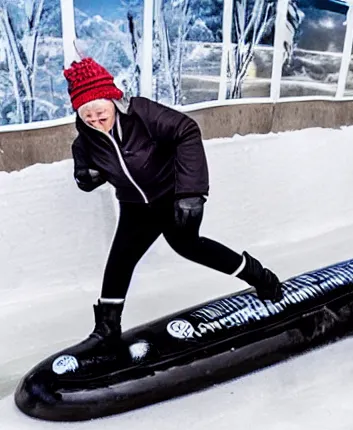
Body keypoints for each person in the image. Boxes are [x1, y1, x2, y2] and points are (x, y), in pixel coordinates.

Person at [63, 57, 283, 345]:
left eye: (101, 114)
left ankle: (261, 277)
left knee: (189, 246)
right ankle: (106, 329)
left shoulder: (142, 113)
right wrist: (86, 178)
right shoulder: (84, 142)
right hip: (135, 207)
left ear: (113, 101)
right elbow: (86, 175)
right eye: (87, 117)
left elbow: (186, 131)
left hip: (174, 197)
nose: (96, 122)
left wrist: (191, 193)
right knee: (120, 259)